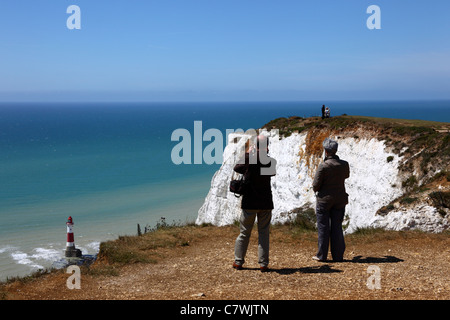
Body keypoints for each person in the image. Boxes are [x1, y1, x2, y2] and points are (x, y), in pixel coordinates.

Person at [232, 135, 276, 272]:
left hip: (249, 201)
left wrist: (248, 154)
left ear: (255, 145)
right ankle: (263, 264)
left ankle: (238, 262)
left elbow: (237, 168)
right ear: (266, 146)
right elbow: (271, 173)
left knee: (244, 233)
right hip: (265, 202)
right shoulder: (270, 161)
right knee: (264, 233)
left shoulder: (249, 159)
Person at [312, 138, 350, 262]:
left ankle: (321, 255)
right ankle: (338, 256)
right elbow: (346, 175)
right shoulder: (344, 164)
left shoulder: (324, 166)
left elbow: (316, 185)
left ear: (326, 151)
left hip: (325, 200)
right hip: (340, 199)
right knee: (337, 226)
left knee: (323, 227)